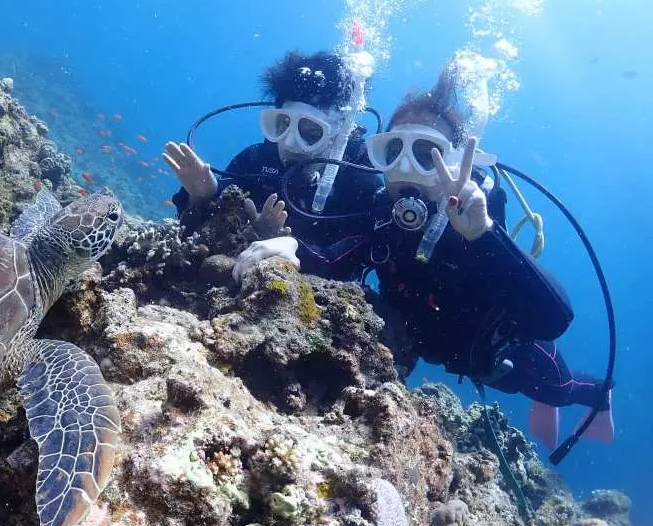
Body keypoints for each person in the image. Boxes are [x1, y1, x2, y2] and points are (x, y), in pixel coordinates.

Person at [344, 67, 614, 449]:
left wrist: (483, 234)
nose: (405, 167)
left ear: (455, 163)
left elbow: (554, 318)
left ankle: (601, 397)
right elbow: (332, 262)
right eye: (393, 151)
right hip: (451, 354)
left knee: (559, 390)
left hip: (503, 358)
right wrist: (282, 245)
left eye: (427, 154)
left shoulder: (479, 227)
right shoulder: (380, 215)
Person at [163, 50, 382, 279]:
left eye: (311, 131)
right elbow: (196, 234)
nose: (289, 142)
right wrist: (203, 196)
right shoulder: (255, 159)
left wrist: (295, 249)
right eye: (282, 124)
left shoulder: (360, 185)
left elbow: (351, 259)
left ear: (339, 134)